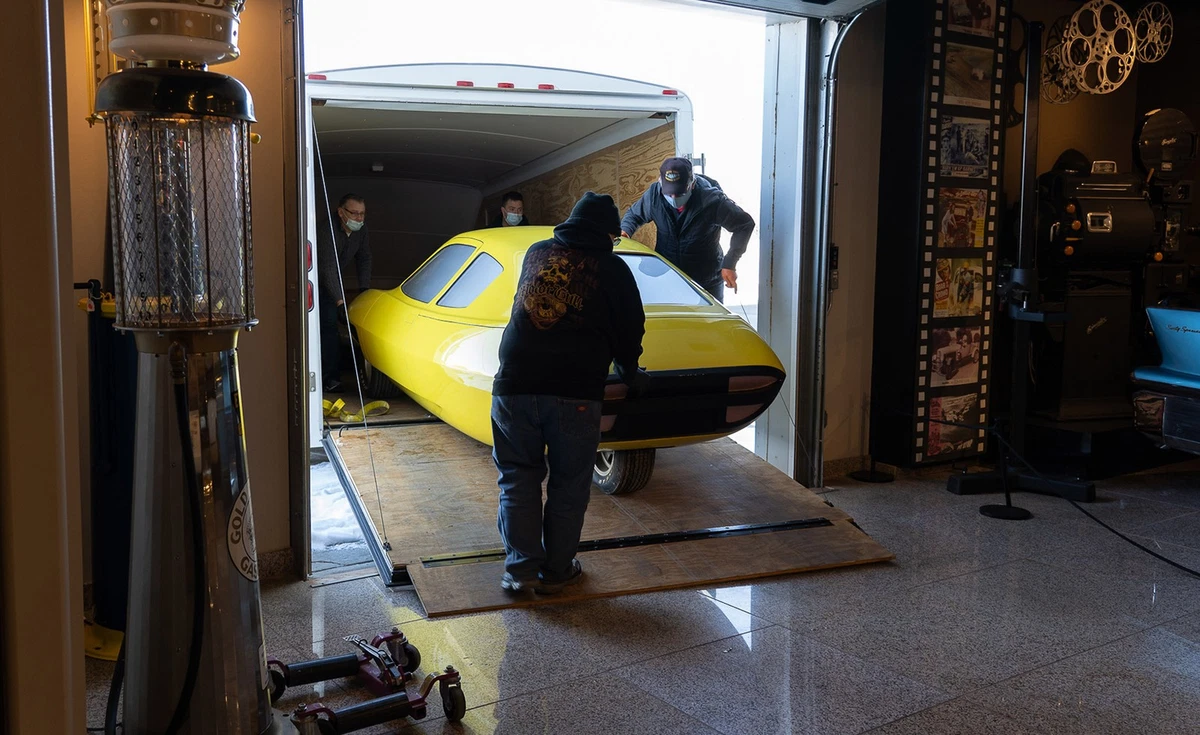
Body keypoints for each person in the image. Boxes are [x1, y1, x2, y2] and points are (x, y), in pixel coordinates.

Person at [491, 192, 649, 595]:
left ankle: (519, 570)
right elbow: (630, 330)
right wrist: (629, 373)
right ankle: (557, 570)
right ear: (608, 234)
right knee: (569, 482)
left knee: (517, 478)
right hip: (574, 391)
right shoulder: (613, 269)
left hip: (512, 386)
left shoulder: (537, 251)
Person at [620, 157, 755, 302]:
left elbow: (744, 225)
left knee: (707, 323)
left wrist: (730, 263)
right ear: (661, 183)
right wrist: (625, 230)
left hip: (706, 279)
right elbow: (634, 215)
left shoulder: (712, 201)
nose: (673, 198)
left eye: (679, 194)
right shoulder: (654, 196)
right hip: (669, 274)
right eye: (669, 193)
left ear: (692, 184)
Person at [317, 193, 372, 393]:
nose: (359, 218)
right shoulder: (327, 230)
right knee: (329, 325)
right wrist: (340, 301)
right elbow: (328, 268)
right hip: (319, 282)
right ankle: (331, 379)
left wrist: (364, 289)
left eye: (362, 214)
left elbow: (364, 258)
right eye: (354, 213)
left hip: (334, 281)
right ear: (341, 212)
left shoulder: (361, 231)